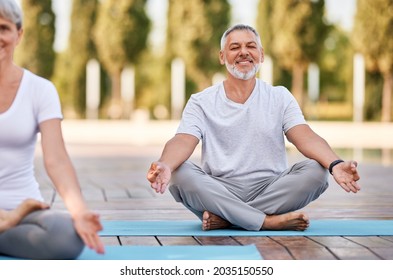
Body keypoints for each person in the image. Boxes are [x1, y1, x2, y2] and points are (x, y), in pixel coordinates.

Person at [147, 24, 361, 232]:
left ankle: (229, 219)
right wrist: (165, 165)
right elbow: (183, 140)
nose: (243, 52)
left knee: (317, 172)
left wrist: (335, 164)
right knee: (179, 172)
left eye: (250, 46)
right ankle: (266, 222)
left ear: (261, 54)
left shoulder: (279, 96)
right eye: (234, 47)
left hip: (270, 188)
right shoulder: (201, 101)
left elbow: (304, 135)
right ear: (222, 57)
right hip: (218, 189)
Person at [0, 0, 104, 259]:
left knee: (66, 238)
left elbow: (56, 159)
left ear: (18, 34)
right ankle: (7, 225)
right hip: (16, 219)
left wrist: (79, 212)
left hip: (26, 209)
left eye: (3, 28)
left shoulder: (40, 90)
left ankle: (11, 221)